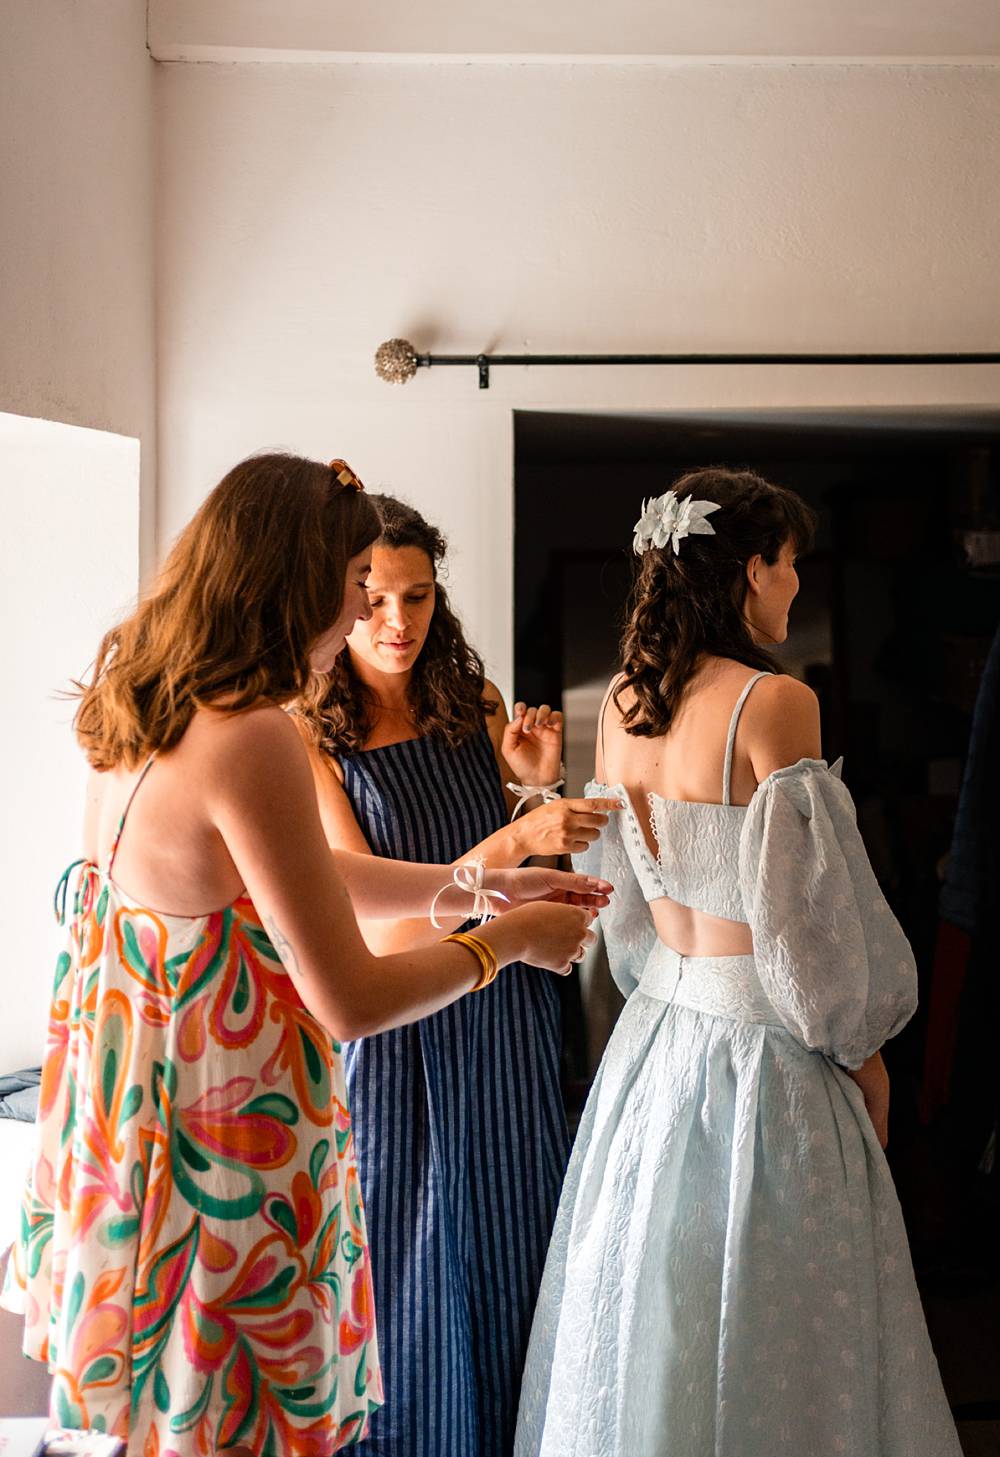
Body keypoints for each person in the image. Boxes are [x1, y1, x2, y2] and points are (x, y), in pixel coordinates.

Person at [1, 454, 610, 1457]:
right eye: (347, 590)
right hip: (220, 1149)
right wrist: (507, 942)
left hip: (135, 1130)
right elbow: (350, 999)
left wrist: (486, 884)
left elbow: (300, 870)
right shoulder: (255, 736)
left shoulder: (144, 705)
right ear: (294, 584)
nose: (355, 618)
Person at [515, 468, 962, 1457]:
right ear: (752, 569)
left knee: (653, 1305)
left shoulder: (624, 708)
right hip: (769, 1051)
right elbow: (806, 922)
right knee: (781, 1308)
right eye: (791, 565)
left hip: (656, 1044)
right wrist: (864, 1049)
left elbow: (618, 905)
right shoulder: (777, 700)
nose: (796, 586)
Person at [294, 494, 620, 1457]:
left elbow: (533, 886)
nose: (399, 622)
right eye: (376, 598)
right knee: (403, 1263)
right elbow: (373, 935)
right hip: (394, 1031)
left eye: (420, 596)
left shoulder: (472, 703)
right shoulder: (308, 739)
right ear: (344, 595)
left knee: (519, 1240)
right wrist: (516, 835)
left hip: (504, 1012)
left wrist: (532, 785)